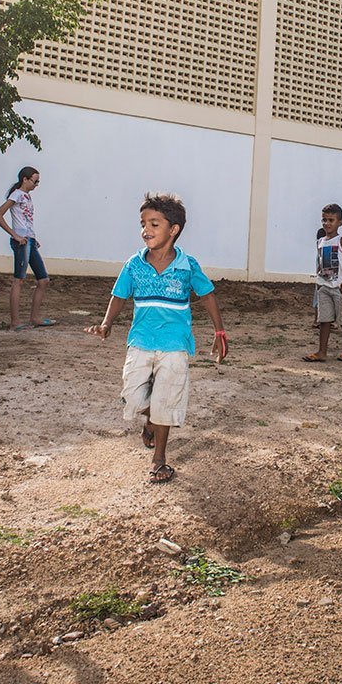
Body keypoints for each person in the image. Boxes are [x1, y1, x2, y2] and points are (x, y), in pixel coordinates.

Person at [86, 193, 227, 485]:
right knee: (134, 396)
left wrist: (219, 331)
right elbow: (119, 296)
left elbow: (207, 295)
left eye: (154, 224)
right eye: (143, 224)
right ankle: (152, 417)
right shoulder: (134, 264)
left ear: (173, 229)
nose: (145, 230)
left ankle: (159, 459)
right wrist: (106, 323)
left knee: (166, 399)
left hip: (175, 345)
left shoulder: (187, 265)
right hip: (140, 341)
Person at [0, 166, 53, 331]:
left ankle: (34, 318)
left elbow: (25, 220)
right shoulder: (17, 195)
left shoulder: (27, 197)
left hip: (29, 240)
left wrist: (32, 237)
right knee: (18, 280)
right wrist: (15, 235)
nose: (36, 185)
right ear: (25, 179)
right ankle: (15, 323)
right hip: (21, 242)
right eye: (35, 181)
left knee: (44, 280)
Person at [303, 204, 342, 362]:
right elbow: (320, 263)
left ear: (340, 222)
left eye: (331, 220)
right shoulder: (320, 241)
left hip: (339, 288)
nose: (327, 223)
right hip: (324, 288)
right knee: (324, 320)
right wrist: (319, 283)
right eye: (324, 220)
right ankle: (322, 352)